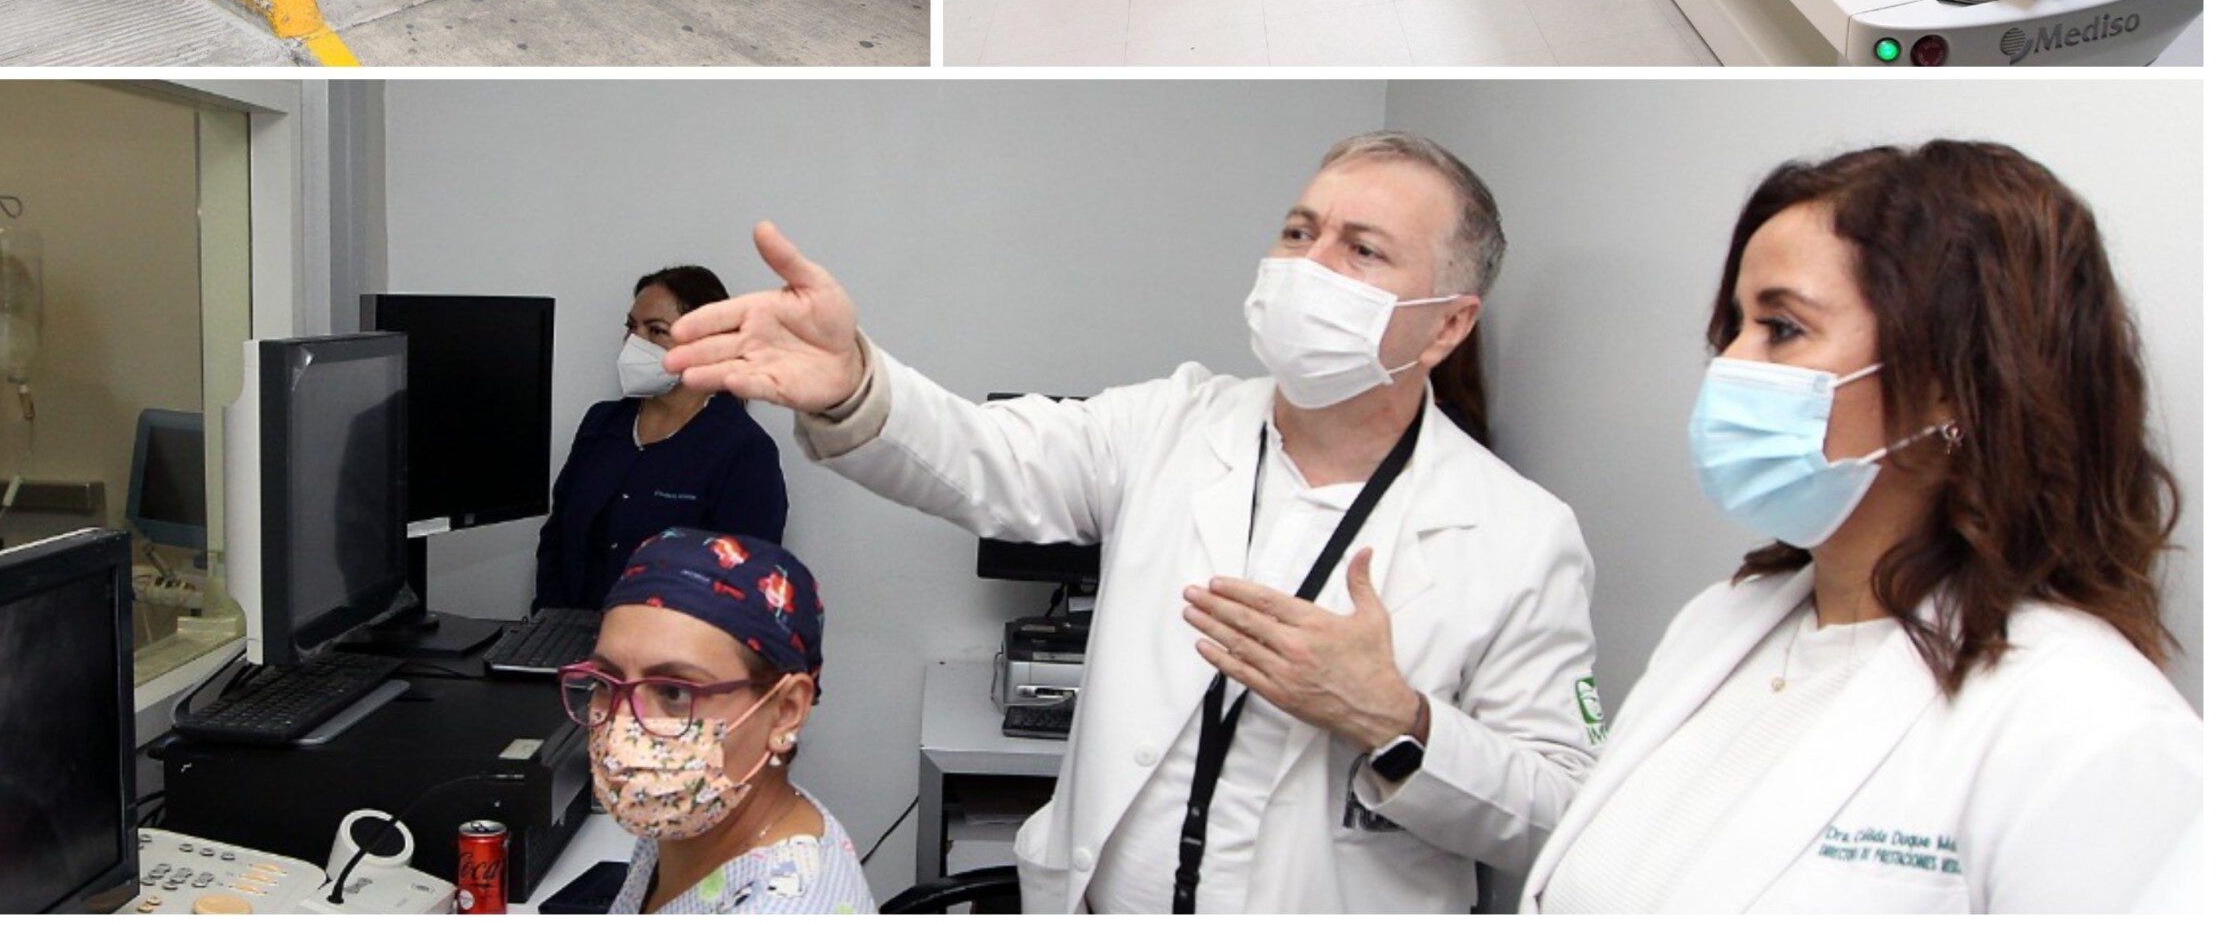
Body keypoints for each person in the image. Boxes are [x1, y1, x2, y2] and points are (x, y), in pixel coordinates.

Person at [664, 134, 1600, 914]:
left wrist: (1395, 720)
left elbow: (1562, 802)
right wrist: (857, 385)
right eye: (1298, 230)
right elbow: (988, 455)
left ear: (1446, 325)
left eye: (1361, 249)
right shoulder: (1171, 425)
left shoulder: (1519, 533)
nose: (1306, 266)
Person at [1523, 141, 2202, 910]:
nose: (1730, 366)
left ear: (1953, 383)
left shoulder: (2092, 725)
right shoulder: (1718, 624)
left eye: (1781, 327)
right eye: (1734, 329)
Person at [570, 528, 873, 914]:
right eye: (605, 682)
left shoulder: (783, 907)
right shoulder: (688, 824)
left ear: (786, 710)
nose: (621, 731)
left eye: (674, 693)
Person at [535, 267, 792, 615]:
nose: (634, 343)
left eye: (656, 331)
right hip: (571, 644)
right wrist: (550, 625)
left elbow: (745, 586)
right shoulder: (602, 425)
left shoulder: (742, 450)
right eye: (631, 328)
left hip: (672, 659)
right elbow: (556, 540)